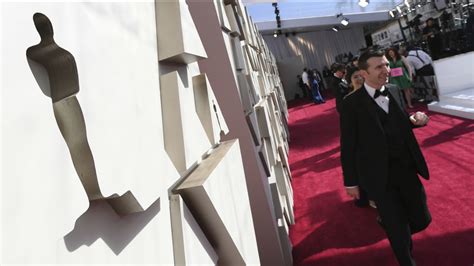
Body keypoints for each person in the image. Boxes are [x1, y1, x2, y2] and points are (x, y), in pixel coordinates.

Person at [340, 49, 431, 266]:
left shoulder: (393, 89)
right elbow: (348, 145)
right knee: (398, 228)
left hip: (407, 167)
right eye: (379, 67)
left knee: (420, 218)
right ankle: (405, 258)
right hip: (379, 175)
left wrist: (415, 121)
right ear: (363, 73)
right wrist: (351, 182)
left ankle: (391, 223)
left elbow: (396, 124)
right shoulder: (351, 103)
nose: (386, 70)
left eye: (386, 65)